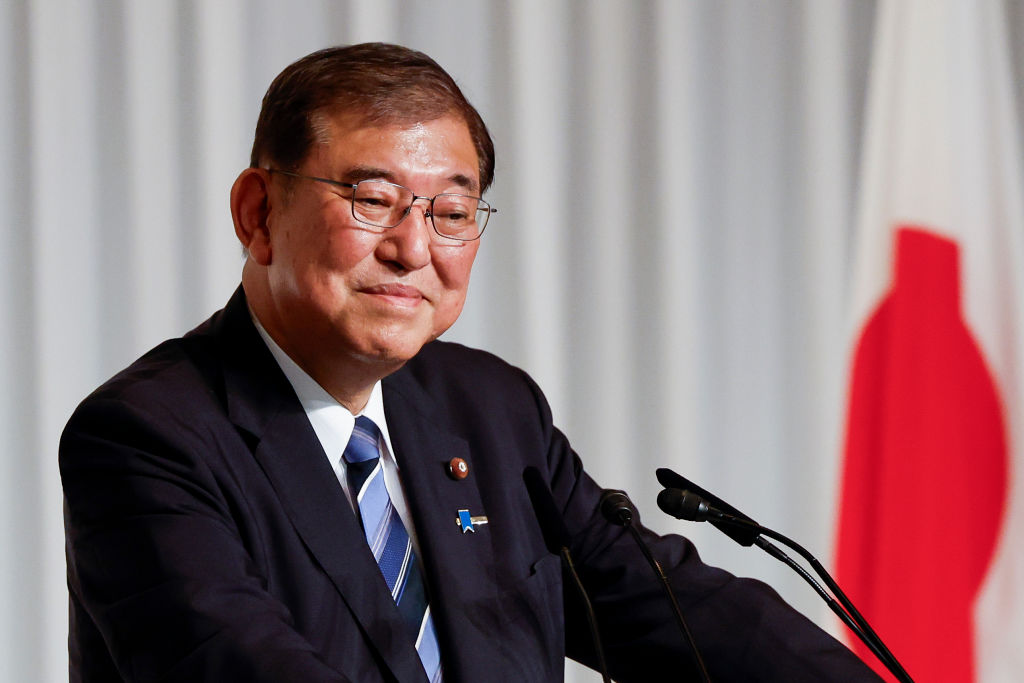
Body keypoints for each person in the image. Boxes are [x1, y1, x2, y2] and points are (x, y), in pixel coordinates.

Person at [60, 43, 882, 682]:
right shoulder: (147, 436)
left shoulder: (489, 408)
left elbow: (669, 603)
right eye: (372, 199)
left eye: (451, 210)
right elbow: (237, 662)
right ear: (258, 212)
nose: (413, 246)